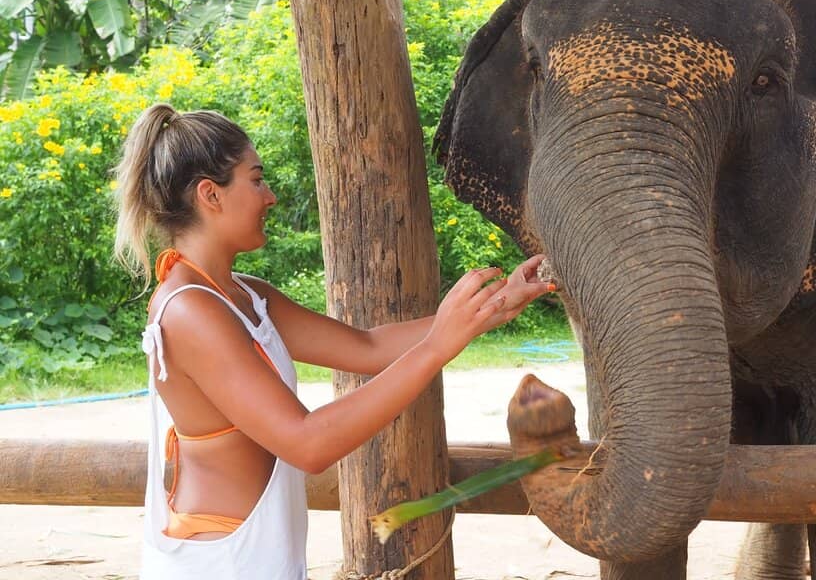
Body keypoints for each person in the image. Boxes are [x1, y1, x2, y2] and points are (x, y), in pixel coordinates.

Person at [113, 103, 552, 579]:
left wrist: (493, 306)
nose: (270, 196)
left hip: (256, 551)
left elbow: (367, 348)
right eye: (256, 179)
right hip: (223, 558)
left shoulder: (243, 295)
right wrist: (436, 347)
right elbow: (306, 444)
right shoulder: (191, 310)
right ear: (210, 195)